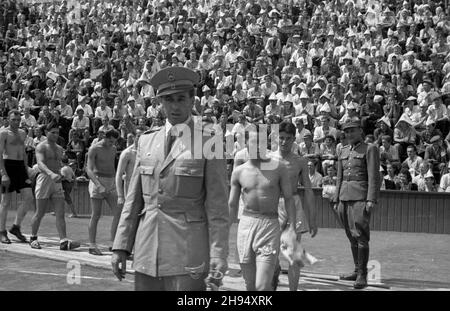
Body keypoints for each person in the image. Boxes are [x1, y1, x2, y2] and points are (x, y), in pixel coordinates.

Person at [111, 67, 229, 291]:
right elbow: (134, 201)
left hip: (188, 253)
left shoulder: (208, 141)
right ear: (160, 102)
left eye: (181, 99)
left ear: (192, 99)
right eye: (168, 100)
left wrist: (219, 254)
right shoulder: (146, 141)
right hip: (147, 252)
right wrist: (120, 246)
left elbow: (218, 207)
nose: (175, 106)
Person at [229, 128, 297, 291]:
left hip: (269, 225)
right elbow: (232, 203)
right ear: (246, 144)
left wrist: (293, 226)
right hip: (246, 225)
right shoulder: (239, 171)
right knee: (250, 284)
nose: (257, 146)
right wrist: (224, 231)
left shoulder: (279, 168)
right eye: (253, 142)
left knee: (262, 285)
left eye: (260, 142)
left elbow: (288, 198)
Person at [332, 121, 381, 289]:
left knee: (360, 235)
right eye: (347, 132)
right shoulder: (343, 150)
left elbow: (374, 176)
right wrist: (336, 198)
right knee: (350, 236)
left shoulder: (370, 148)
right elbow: (339, 177)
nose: (349, 134)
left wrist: (371, 199)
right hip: (344, 198)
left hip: (360, 197)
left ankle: (362, 275)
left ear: (360, 131)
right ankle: (356, 269)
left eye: (352, 131)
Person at [270, 121, 317, 291]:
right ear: (277, 137)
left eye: (288, 138)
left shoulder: (300, 161)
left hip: (294, 204)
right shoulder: (268, 158)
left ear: (293, 140)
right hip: (273, 205)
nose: (284, 142)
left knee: (294, 256)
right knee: (271, 255)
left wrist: (312, 219)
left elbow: (309, 191)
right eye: (281, 138)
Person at [29, 122, 80, 250]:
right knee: (40, 212)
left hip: (56, 181)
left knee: (60, 213)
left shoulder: (59, 148)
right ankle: (33, 238)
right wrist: (51, 174)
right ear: (46, 133)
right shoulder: (41, 147)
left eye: (57, 132)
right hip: (44, 179)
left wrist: (65, 174)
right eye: (53, 132)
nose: (56, 135)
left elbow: (58, 164)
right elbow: (40, 163)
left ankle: (63, 241)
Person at [0, 110, 35, 244]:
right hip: (7, 165)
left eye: (18, 120)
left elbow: (24, 153)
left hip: (20, 166)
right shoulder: (3, 133)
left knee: (28, 197)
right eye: (13, 119)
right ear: (8, 119)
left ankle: (16, 227)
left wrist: (26, 172)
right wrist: (3, 174)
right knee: (5, 202)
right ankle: (2, 231)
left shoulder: (22, 133)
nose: (16, 122)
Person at [86, 129, 120, 256]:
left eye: (114, 141)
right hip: (97, 180)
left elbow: (112, 166)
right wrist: (99, 185)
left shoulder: (113, 148)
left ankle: (113, 243)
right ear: (105, 137)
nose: (111, 143)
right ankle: (92, 245)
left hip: (111, 182)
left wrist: (115, 182)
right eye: (110, 140)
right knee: (96, 215)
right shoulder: (94, 148)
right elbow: (88, 169)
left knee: (118, 213)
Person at [115, 129, 142, 208]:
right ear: (134, 137)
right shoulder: (127, 153)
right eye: (139, 136)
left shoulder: (147, 152)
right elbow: (119, 174)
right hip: (130, 191)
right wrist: (120, 196)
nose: (141, 138)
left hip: (144, 191)